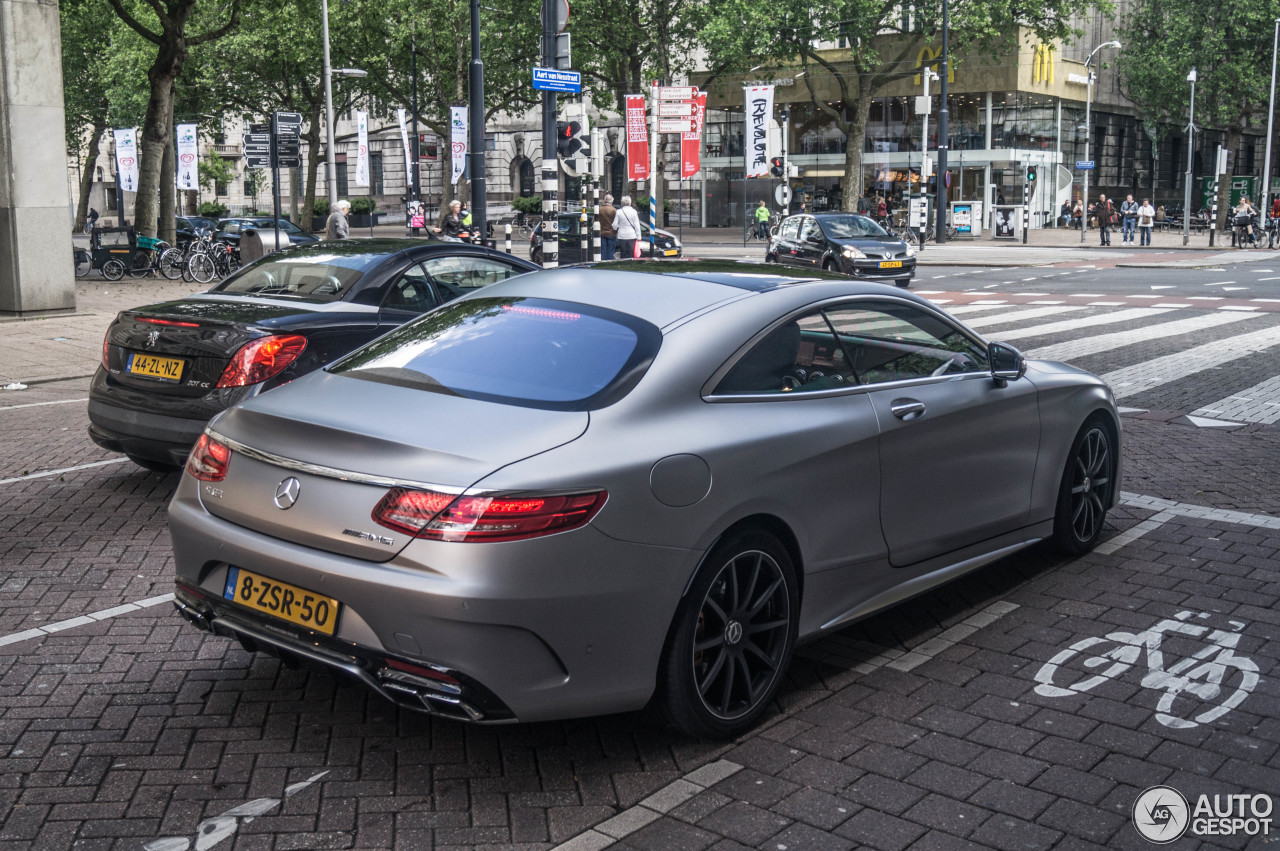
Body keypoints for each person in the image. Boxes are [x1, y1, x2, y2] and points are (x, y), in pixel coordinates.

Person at [598, 193, 618, 260]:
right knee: (610, 252)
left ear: (604, 200)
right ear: (612, 201)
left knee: (603, 252)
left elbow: (593, 221)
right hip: (612, 233)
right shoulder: (614, 210)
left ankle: (602, 266)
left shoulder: (599, 210)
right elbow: (616, 223)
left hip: (602, 233)